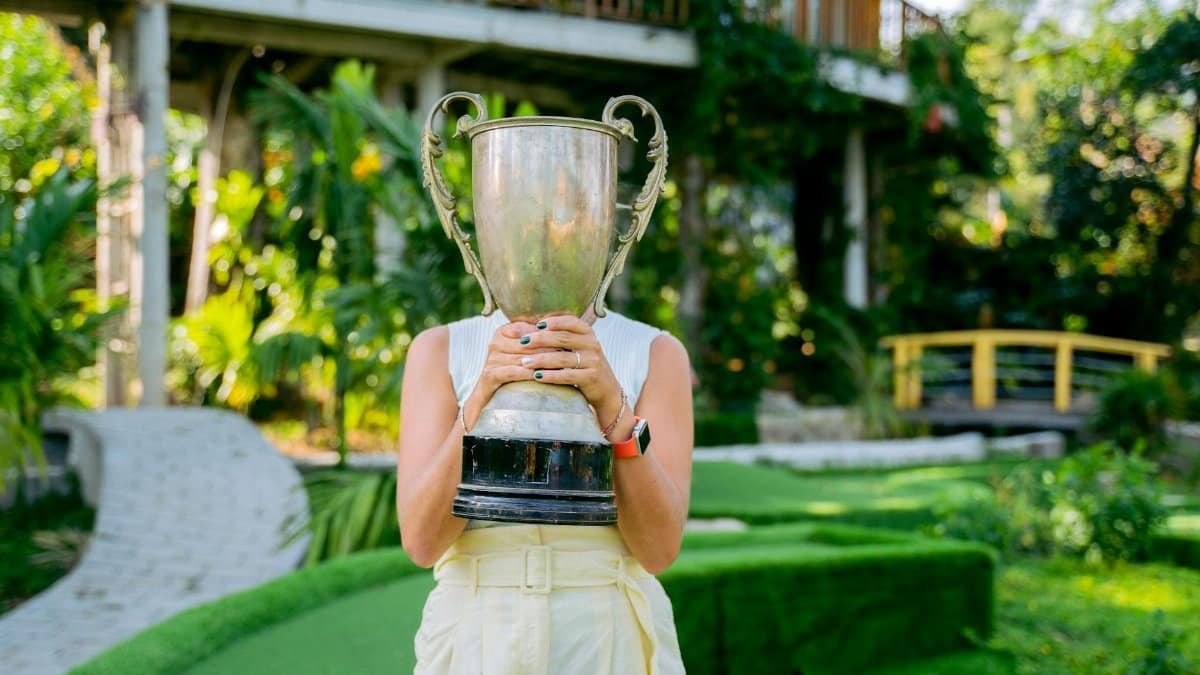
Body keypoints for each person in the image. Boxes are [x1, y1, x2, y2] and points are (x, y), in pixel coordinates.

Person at [397, 307, 694, 674]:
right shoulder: (440, 348)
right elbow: (422, 543)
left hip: (609, 636)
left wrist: (613, 406)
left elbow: (659, 550)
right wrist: (479, 401)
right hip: (474, 634)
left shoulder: (655, 351)